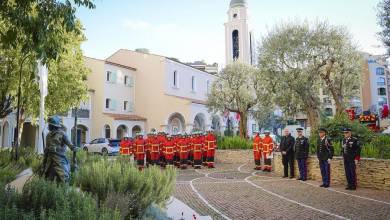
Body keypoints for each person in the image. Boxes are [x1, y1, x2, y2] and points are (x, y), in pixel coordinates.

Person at [41, 115, 77, 183]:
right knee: (48, 177)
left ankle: (64, 191)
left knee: (64, 177)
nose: (48, 126)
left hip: (59, 159)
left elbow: (70, 145)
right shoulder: (48, 135)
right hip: (50, 160)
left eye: (50, 124)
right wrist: (44, 163)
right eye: (49, 124)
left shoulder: (63, 134)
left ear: (54, 126)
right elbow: (46, 150)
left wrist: (74, 148)